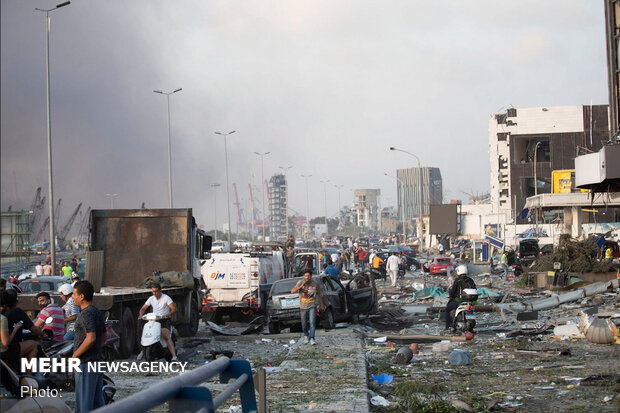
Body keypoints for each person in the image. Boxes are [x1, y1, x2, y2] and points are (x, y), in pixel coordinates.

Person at [72, 280, 107, 413]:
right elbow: (104, 337)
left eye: (74, 294)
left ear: (82, 296)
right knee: (97, 403)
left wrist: (75, 355)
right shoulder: (96, 311)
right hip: (97, 361)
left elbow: (91, 337)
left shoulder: (85, 313)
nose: (73, 297)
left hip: (86, 362)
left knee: (84, 404)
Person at [137, 283, 177, 361]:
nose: (154, 293)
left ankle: (174, 356)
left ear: (160, 291)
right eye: (153, 292)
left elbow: (174, 309)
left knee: (165, 335)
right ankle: (142, 350)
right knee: (145, 333)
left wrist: (168, 314)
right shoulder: (151, 298)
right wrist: (141, 315)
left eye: (156, 292)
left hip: (164, 320)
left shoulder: (166, 298)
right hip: (154, 320)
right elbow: (143, 308)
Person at [1, 290, 38, 371]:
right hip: (5, 352)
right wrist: (15, 329)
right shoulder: (4, 318)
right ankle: (29, 376)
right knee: (33, 344)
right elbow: (5, 342)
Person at [291, 269, 323, 346]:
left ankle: (312, 338)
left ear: (311, 276)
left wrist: (321, 304)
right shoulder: (300, 282)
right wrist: (301, 285)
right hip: (303, 306)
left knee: (312, 322)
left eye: (308, 276)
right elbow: (292, 291)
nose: (307, 277)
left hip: (312, 305)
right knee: (304, 323)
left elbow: (319, 294)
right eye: (305, 276)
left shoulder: (315, 284)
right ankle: (306, 335)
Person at [444, 264, 477, 332]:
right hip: (470, 302)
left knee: (447, 310)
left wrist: (451, 295)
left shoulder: (458, 280)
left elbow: (453, 292)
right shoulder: (470, 280)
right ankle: (471, 328)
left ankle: (447, 328)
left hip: (459, 301)